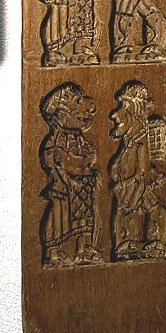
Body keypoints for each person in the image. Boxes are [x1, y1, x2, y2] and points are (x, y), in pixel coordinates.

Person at [40, 83, 102, 266]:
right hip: (63, 188)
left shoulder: (78, 138)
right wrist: (67, 175)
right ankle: (53, 252)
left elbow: (90, 156)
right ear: (61, 112)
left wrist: (87, 169)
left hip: (83, 185)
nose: (89, 108)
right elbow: (53, 160)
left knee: (85, 217)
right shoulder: (56, 139)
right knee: (58, 218)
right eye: (78, 102)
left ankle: (83, 249)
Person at [108, 82, 166, 260]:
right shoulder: (129, 146)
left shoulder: (139, 147)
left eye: (123, 107)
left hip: (134, 196)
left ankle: (153, 241)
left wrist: (123, 185)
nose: (114, 115)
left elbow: (140, 176)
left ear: (135, 112)